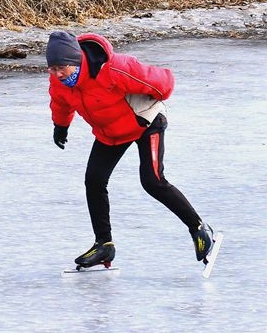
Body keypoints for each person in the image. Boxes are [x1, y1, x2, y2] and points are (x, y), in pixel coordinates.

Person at [45, 30, 214, 268]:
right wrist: (60, 127)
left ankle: (198, 228)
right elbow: (60, 102)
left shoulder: (114, 68)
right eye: (52, 68)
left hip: (145, 122)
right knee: (94, 180)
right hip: (111, 132)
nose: (58, 74)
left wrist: (147, 102)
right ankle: (104, 245)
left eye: (62, 67)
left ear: (77, 60)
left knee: (152, 180)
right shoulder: (60, 82)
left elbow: (164, 82)